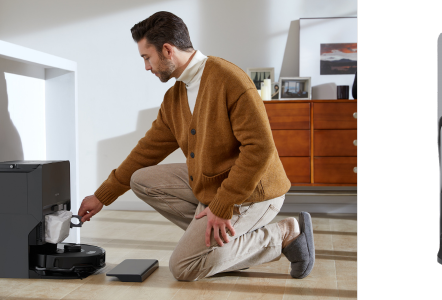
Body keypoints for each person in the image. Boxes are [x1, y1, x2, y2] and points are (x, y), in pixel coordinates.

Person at [77, 11, 315, 281]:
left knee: (184, 267)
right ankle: (224, 248)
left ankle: (284, 234)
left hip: (255, 194)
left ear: (167, 50)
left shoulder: (229, 80)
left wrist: (223, 204)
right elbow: (146, 152)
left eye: (147, 57)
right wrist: (102, 196)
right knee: (141, 179)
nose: (146, 66)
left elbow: (260, 149)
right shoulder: (175, 97)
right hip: (214, 184)